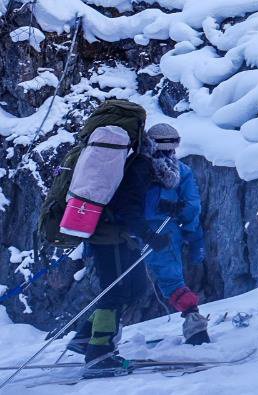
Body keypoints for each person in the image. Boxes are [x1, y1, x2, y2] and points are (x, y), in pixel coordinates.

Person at [68, 128, 164, 376]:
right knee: (117, 292)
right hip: (110, 236)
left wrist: (166, 207)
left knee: (135, 288)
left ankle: (84, 339)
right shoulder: (141, 165)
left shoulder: (135, 163)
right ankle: (99, 355)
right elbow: (127, 206)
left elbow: (129, 198)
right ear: (159, 146)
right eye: (172, 145)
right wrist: (149, 235)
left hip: (115, 235)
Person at [142, 124, 210, 345]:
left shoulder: (132, 166)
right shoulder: (181, 171)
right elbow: (191, 206)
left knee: (121, 284)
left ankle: (91, 336)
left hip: (129, 231)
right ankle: (196, 331)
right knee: (172, 280)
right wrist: (193, 235)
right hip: (164, 232)